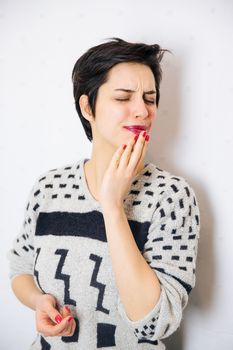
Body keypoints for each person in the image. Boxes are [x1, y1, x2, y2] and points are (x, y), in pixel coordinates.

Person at [8, 37, 200, 349]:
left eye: (150, 99)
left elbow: (156, 322)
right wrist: (38, 300)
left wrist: (112, 206)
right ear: (87, 107)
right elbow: (20, 267)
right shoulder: (48, 187)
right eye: (123, 98)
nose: (142, 111)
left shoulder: (172, 197)